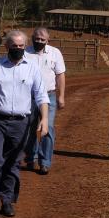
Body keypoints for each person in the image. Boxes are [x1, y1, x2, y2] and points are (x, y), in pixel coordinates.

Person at [0, 30, 49, 218]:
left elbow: (41, 95)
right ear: (7, 47)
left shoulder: (32, 68)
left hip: (21, 122)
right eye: (15, 46)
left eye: (22, 46)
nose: (19, 49)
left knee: (12, 162)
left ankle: (7, 200)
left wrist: (44, 119)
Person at [23, 27, 66, 175]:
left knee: (48, 128)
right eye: (37, 39)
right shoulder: (25, 53)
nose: (39, 41)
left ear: (48, 40)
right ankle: (30, 157)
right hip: (29, 96)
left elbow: (60, 75)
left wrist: (61, 96)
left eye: (42, 39)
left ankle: (45, 161)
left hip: (49, 96)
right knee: (30, 127)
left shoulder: (55, 53)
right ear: (32, 37)